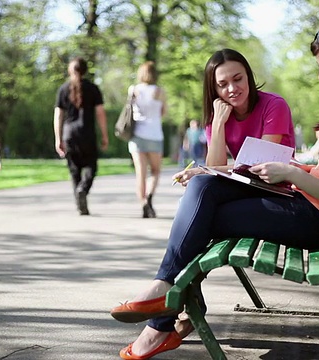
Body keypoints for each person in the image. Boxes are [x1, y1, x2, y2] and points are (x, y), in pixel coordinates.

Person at [110, 19, 319, 360]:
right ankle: (165, 307)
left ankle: (164, 315)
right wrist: (296, 171)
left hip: (313, 219)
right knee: (203, 185)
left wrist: (291, 172)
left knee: (201, 218)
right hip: (302, 202)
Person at [110, 47, 298, 359]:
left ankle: (163, 310)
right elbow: (217, 165)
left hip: (274, 195)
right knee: (201, 191)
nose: (231, 89)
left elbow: (263, 167)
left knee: (201, 198)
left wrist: (206, 170)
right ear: (213, 89)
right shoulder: (217, 115)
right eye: (222, 84)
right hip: (243, 194)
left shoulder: (273, 106)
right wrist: (220, 124)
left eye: (238, 79)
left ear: (249, 78)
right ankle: (165, 313)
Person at [54, 56, 109, 215]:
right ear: (85, 70)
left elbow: (58, 115)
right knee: (91, 167)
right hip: (87, 134)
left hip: (69, 135)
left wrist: (58, 138)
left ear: (70, 70)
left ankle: (80, 200)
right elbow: (100, 113)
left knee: (74, 170)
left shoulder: (63, 89)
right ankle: (83, 189)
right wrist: (104, 135)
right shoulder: (93, 88)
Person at [127, 61, 167, 218]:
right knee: (155, 171)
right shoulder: (159, 91)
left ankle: (143, 202)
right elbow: (163, 112)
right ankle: (150, 195)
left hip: (137, 136)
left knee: (140, 173)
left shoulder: (134, 89)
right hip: (155, 135)